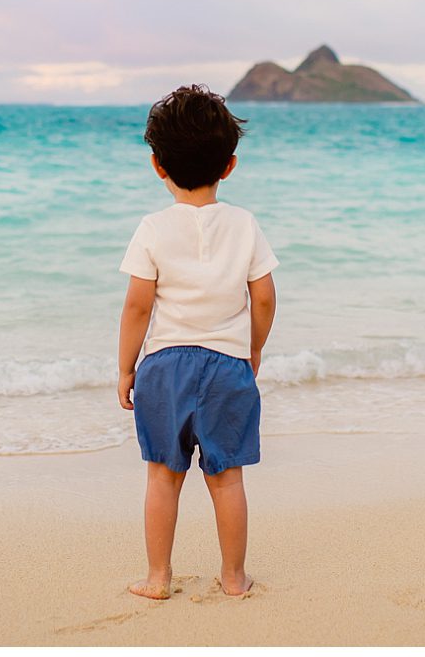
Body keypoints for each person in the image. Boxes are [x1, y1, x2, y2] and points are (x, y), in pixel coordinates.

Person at [116, 84, 278, 600]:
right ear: (229, 165)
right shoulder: (245, 224)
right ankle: (234, 578)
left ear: (157, 166)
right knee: (226, 479)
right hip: (227, 367)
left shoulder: (153, 228)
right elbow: (265, 298)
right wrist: (253, 349)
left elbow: (138, 306)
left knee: (163, 477)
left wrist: (125, 369)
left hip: (164, 367)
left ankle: (159, 578)